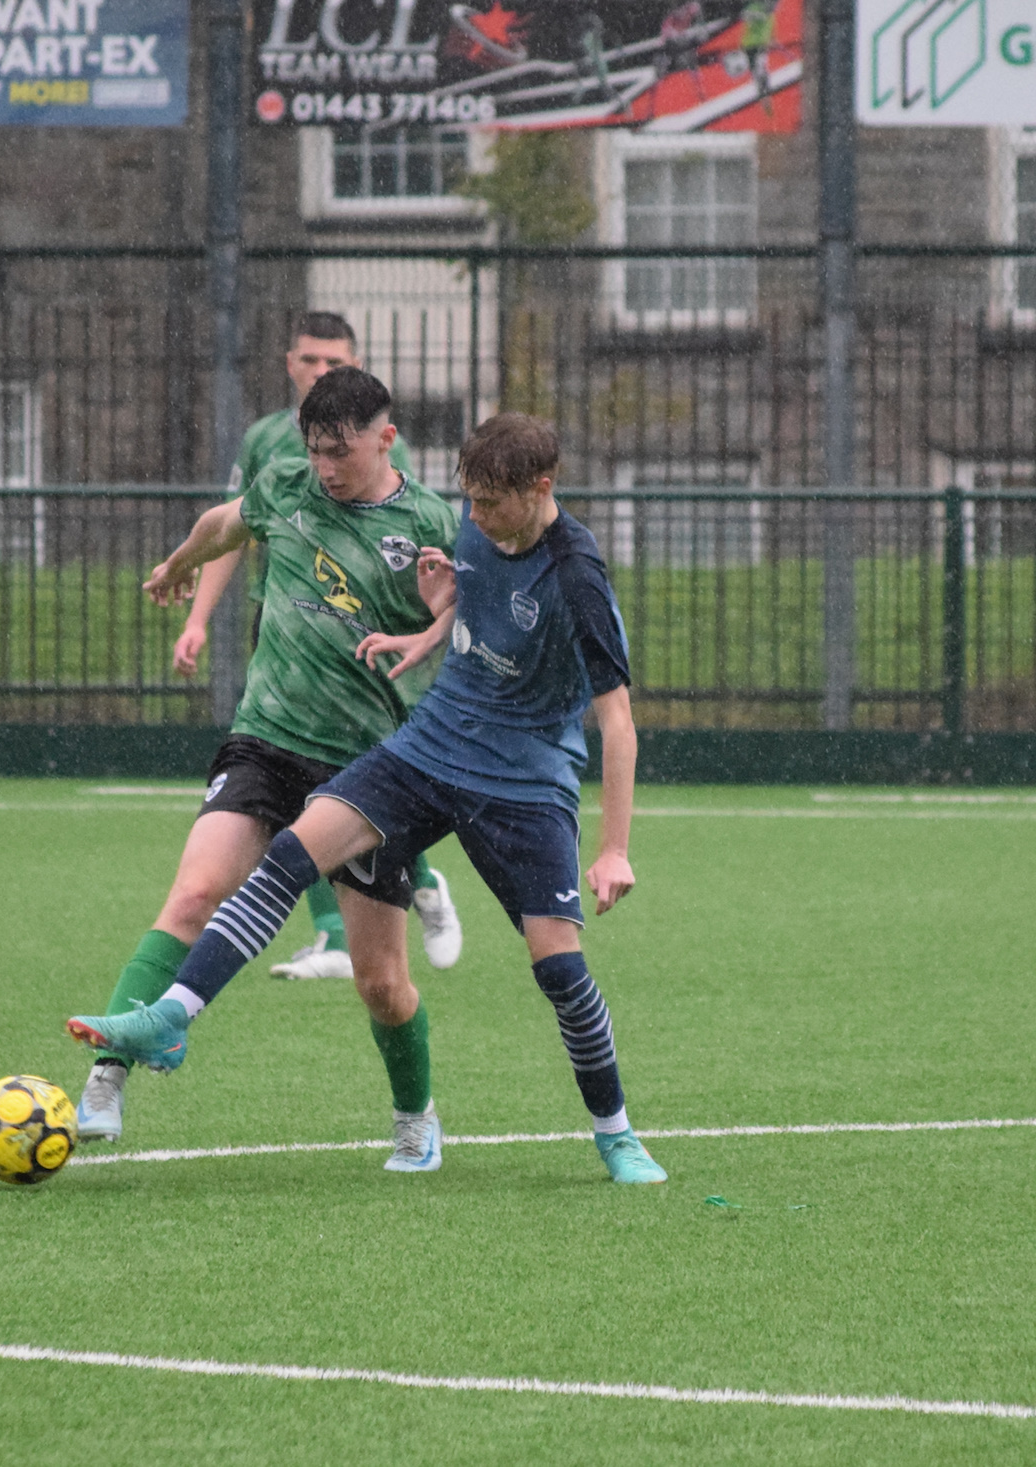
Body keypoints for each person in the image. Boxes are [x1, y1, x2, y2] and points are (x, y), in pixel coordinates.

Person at [68, 413, 668, 1184]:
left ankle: (616, 1133)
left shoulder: (577, 574)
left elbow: (618, 723)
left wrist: (614, 847)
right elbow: (469, 604)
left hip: (523, 782)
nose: (473, 518)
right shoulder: (478, 524)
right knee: (294, 847)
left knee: (558, 968)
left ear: (541, 488)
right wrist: (425, 632)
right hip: (432, 744)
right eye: (470, 500)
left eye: (489, 504)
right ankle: (170, 1018)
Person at [73, 367, 459, 1168]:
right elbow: (227, 520)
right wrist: (181, 562)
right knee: (193, 893)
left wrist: (440, 615)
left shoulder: (426, 521)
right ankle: (108, 1074)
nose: (325, 467)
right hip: (266, 738)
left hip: (364, 771)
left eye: (341, 453)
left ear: (386, 439)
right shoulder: (286, 483)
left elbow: (464, 616)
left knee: (380, 982)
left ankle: (416, 1116)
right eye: (316, 451)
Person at [179, 310, 463, 982]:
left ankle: (420, 883)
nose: (321, 373)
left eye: (335, 363)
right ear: (289, 363)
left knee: (355, 778)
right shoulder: (267, 445)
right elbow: (232, 529)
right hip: (284, 621)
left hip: (369, 648)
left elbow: (438, 570)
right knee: (290, 781)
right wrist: (196, 614)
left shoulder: (394, 466)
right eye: (310, 361)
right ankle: (332, 931)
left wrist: (430, 622)